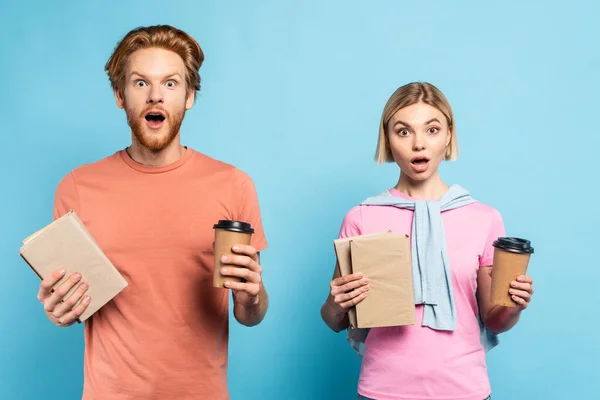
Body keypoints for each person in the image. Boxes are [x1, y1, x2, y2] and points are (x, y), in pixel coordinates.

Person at [35, 25, 269, 400]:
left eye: (171, 84)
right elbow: (68, 301)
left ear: (190, 96)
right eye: (140, 83)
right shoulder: (77, 188)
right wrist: (58, 309)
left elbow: (251, 313)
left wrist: (252, 298)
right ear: (119, 95)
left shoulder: (233, 185)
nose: (156, 96)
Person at [320, 82, 535, 400]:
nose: (418, 144)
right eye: (403, 131)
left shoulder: (484, 218)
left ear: (449, 135)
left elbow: (495, 320)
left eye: (431, 130)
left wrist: (514, 306)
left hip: (465, 390)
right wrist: (337, 303)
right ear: (388, 139)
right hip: (383, 391)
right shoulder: (361, 218)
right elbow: (334, 320)